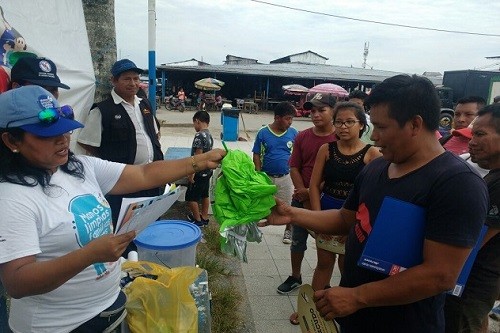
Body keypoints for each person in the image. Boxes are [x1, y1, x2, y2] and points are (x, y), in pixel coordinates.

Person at [264, 74, 488, 332]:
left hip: (407, 324)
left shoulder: (458, 184)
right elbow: (346, 219)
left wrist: (357, 296)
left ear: (415, 124)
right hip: (357, 316)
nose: (375, 137)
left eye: (381, 128)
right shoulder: (377, 167)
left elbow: (440, 275)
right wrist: (291, 214)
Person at [0, 86, 225, 332]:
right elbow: (17, 282)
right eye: (46, 135)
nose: (63, 140)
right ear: (12, 140)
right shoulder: (12, 197)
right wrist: (89, 255)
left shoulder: (78, 167)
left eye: (64, 130)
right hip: (59, 325)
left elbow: (142, 173)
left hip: (109, 309)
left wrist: (199, 161)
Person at [77, 59, 163, 228]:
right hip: (125, 182)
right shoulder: (102, 110)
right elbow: (87, 142)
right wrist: (108, 160)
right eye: (127, 79)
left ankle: (149, 253)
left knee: (152, 223)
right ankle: (128, 254)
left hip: (152, 178)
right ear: (114, 81)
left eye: (136, 78)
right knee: (126, 227)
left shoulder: (144, 104)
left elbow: (154, 133)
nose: (133, 83)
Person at [308, 101, 381, 292]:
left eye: (350, 122)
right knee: (324, 263)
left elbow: (375, 196)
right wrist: (316, 219)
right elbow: (314, 186)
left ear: (362, 125)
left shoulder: (372, 153)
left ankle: (344, 310)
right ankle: (313, 311)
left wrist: (352, 226)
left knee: (347, 265)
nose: (343, 127)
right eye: (339, 122)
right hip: (326, 211)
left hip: (355, 217)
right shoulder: (326, 149)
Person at [444, 103, 500, 333]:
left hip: (473, 283)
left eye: (480, 134)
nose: (471, 142)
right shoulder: (492, 178)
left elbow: (474, 241)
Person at [276, 94, 337, 302]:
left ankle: (324, 282)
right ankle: (295, 276)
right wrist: (302, 191)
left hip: (327, 199)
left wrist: (312, 192)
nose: (316, 114)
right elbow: (294, 166)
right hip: (300, 197)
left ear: (333, 111)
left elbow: (338, 173)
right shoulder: (302, 136)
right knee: (297, 240)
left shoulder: (340, 138)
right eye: (312, 111)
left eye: (322, 110)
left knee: (327, 244)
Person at [252, 101, 298, 244]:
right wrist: (259, 175)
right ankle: (252, 227)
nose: (290, 122)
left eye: (291, 119)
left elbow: (297, 155)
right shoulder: (263, 132)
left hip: (286, 178)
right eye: (287, 118)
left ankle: (288, 231)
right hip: (265, 177)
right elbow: (256, 154)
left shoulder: (294, 133)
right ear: (277, 118)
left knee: (288, 206)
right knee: (259, 204)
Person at [186, 111, 214, 226]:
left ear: (197, 121)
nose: (194, 126)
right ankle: (205, 217)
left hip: (199, 172)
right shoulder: (209, 135)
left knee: (191, 197)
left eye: (194, 123)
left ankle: (197, 220)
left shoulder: (199, 135)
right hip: (207, 172)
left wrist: (191, 173)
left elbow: (198, 157)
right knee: (204, 195)